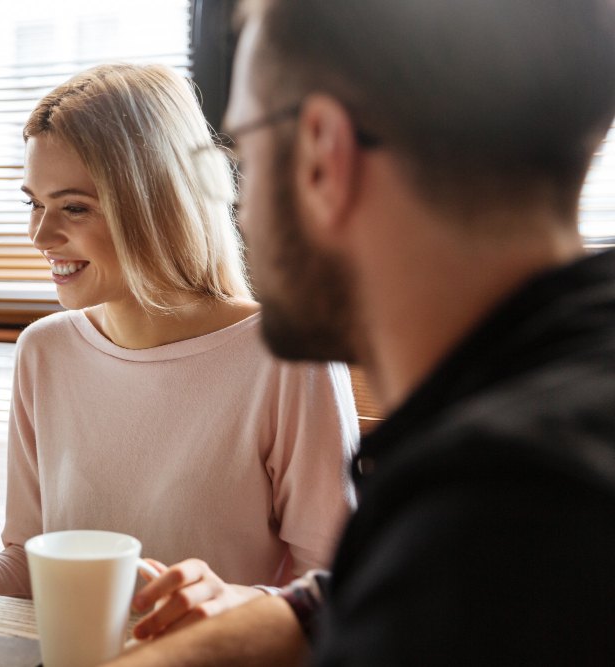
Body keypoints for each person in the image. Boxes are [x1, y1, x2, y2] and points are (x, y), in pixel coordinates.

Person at [104, 0, 615, 665]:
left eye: (243, 159)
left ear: (322, 155)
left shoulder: (504, 514)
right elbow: (333, 599)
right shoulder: (559, 388)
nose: (239, 209)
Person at [0, 63, 359, 635]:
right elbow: (29, 562)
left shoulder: (289, 357)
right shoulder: (45, 350)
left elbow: (340, 595)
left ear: (157, 202)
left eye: (74, 207)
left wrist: (229, 603)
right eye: (32, 203)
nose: (40, 237)